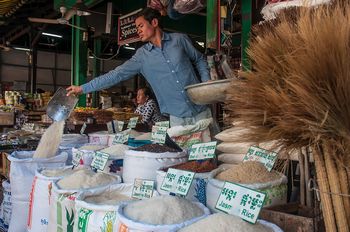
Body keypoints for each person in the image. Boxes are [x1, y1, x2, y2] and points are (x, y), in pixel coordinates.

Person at [66, 7, 213, 127]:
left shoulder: (180, 40)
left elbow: (200, 59)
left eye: (141, 26)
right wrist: (83, 88)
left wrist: (206, 83)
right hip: (177, 120)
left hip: (202, 110)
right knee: (185, 162)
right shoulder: (141, 57)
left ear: (154, 22)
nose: (138, 30)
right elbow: (116, 75)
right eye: (137, 28)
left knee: (210, 158)